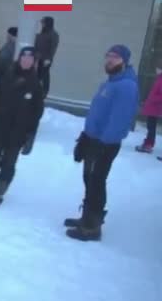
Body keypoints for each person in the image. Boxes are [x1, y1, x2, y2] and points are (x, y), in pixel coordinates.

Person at [66, 45, 139, 241]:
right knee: (89, 179)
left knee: (96, 181)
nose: (110, 60)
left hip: (105, 144)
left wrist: (103, 144)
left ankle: (91, 228)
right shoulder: (109, 83)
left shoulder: (126, 86)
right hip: (93, 140)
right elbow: (98, 114)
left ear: (124, 60)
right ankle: (87, 218)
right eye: (108, 56)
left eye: (115, 57)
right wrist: (85, 136)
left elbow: (120, 120)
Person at [0, 47, 44, 206]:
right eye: (24, 57)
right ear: (19, 59)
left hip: (17, 133)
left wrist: (30, 136)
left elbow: (37, 113)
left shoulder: (35, 85)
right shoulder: (6, 77)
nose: (26, 60)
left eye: (30, 58)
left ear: (34, 62)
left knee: (8, 164)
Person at [135, 60, 162, 154]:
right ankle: (148, 144)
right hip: (153, 107)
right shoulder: (159, 78)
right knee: (151, 127)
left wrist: (153, 99)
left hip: (155, 108)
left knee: (151, 128)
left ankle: (148, 145)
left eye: (158, 68)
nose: (156, 70)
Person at [34, 16, 59, 97]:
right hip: (38, 58)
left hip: (45, 59)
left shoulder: (53, 34)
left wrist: (49, 59)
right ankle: (36, 90)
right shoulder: (42, 33)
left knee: (45, 75)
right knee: (37, 75)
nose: (42, 24)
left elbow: (53, 47)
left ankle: (44, 92)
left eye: (43, 22)